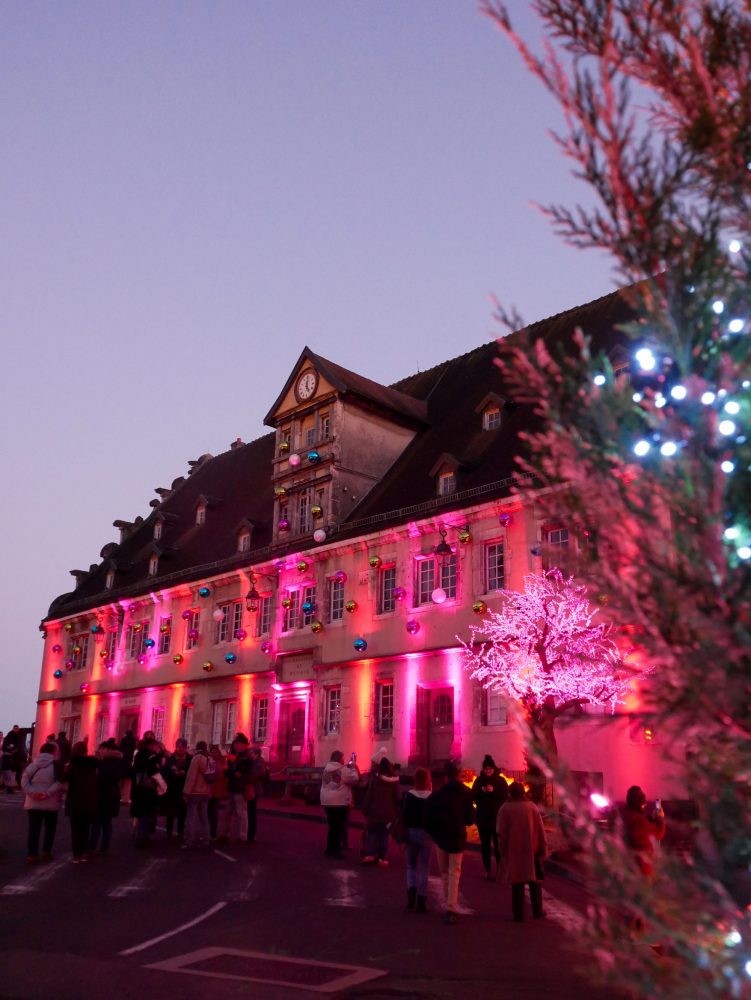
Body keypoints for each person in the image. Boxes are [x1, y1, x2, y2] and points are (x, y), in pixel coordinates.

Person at [424, 759, 476, 924]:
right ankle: (451, 907)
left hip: (441, 837)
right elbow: (470, 819)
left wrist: (434, 832)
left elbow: (428, 818)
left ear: (445, 778)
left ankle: (449, 903)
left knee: (445, 872)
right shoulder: (465, 793)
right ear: (458, 776)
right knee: (455, 872)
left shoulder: (437, 796)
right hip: (457, 836)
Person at [496, 781, 547, 922]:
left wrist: (503, 851)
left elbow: (501, 834)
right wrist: (543, 848)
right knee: (534, 882)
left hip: (514, 851)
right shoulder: (532, 807)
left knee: (517, 884)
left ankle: (518, 914)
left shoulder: (505, 809)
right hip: (532, 849)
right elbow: (541, 831)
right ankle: (537, 910)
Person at [21, 741, 63, 863]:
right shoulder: (56, 765)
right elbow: (59, 782)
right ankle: (46, 851)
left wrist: (33, 793)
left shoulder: (32, 765)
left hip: (33, 802)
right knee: (50, 828)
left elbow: (24, 781)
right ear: (53, 752)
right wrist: (47, 793)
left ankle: (32, 854)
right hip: (50, 802)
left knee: (34, 828)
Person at [472, 755, 508, 879]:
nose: (488, 771)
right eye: (486, 769)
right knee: (485, 845)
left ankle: (500, 869)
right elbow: (474, 796)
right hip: (483, 818)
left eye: (490, 768)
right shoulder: (478, 781)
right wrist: (482, 791)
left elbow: (505, 795)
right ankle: (487, 869)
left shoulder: (500, 781)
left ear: (494, 768)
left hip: (497, 818)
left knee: (498, 846)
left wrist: (494, 791)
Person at [402, 767, 433, 912]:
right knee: (424, 867)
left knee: (411, 865)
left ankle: (411, 892)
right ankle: (421, 899)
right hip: (426, 832)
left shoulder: (409, 795)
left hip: (412, 831)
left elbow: (404, 814)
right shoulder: (431, 797)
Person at [320, 750, 360, 859]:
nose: (343, 760)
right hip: (339, 802)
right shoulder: (342, 770)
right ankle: (335, 851)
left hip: (327, 801)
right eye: (342, 758)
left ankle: (329, 849)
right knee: (338, 828)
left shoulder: (327, 769)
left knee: (332, 826)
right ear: (339, 759)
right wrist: (353, 767)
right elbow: (354, 779)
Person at [64, 741, 99, 863]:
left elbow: (65, 778)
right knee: (85, 828)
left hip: (75, 799)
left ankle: (76, 854)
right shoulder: (92, 765)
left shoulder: (73, 764)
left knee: (76, 829)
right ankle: (84, 853)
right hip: (89, 799)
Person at [361, 756, 400, 866]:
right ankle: (381, 857)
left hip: (374, 812)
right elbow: (398, 797)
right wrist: (396, 810)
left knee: (372, 832)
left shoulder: (375, 780)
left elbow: (369, 795)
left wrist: (366, 809)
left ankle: (371, 854)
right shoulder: (394, 781)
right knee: (384, 834)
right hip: (388, 813)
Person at [623, 785, 666, 879]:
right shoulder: (640, 821)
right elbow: (659, 833)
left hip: (627, 867)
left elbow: (643, 827)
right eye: (643, 804)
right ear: (638, 804)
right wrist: (660, 818)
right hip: (642, 869)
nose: (644, 806)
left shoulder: (624, 815)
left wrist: (651, 818)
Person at [89, 739, 123, 855]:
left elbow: (101, 780)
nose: (100, 751)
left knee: (97, 822)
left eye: (102, 749)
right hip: (113, 795)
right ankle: (104, 847)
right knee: (107, 823)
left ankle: (92, 847)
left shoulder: (106, 763)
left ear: (108, 750)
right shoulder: (117, 761)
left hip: (103, 795)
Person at [130, 736, 162, 847]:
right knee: (148, 815)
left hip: (139, 788)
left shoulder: (138, 754)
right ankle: (143, 838)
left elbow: (135, 770)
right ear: (150, 745)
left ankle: (139, 836)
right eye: (154, 746)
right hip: (149, 789)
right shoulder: (151, 756)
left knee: (142, 815)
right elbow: (154, 771)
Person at [223, 734, 253, 843]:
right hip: (232, 786)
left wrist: (234, 770)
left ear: (244, 744)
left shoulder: (247, 758)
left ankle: (243, 836)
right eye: (235, 743)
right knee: (228, 812)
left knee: (241, 813)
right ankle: (226, 834)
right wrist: (232, 772)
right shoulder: (235, 756)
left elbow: (242, 773)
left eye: (238, 743)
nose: (236, 745)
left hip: (241, 787)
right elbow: (228, 772)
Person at [182, 740, 212, 848]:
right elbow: (211, 778)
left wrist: (186, 792)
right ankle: (206, 839)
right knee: (204, 817)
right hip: (206, 792)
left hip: (195, 791)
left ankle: (189, 840)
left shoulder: (197, 758)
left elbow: (191, 776)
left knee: (190, 817)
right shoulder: (210, 759)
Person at [161, 738, 191, 839]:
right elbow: (165, 771)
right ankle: (168, 831)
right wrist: (172, 771)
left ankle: (180, 832)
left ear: (185, 748)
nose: (180, 749)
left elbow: (191, 771)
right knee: (170, 812)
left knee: (182, 812)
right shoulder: (171, 758)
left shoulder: (189, 759)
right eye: (178, 747)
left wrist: (184, 772)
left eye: (182, 747)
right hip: (172, 788)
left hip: (183, 787)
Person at [208, 745, 229, 842]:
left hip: (218, 790)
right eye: (212, 752)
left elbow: (226, 779)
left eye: (215, 752)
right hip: (209, 791)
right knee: (208, 812)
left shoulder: (223, 762)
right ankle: (209, 832)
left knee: (214, 812)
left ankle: (213, 833)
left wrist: (225, 791)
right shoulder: (208, 761)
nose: (213, 754)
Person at [245, 747, 266, 844]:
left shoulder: (258, 762)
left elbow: (257, 774)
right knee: (250, 811)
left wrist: (247, 777)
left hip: (254, 789)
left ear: (256, 753)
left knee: (251, 811)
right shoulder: (254, 762)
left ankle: (251, 834)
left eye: (251, 752)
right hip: (253, 788)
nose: (249, 754)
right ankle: (250, 833)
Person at [119, 728, 137, 804]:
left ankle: (121, 796)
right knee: (128, 781)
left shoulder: (124, 740)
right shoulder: (133, 740)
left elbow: (121, 748)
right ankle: (126, 797)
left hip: (123, 760)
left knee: (122, 779)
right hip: (129, 760)